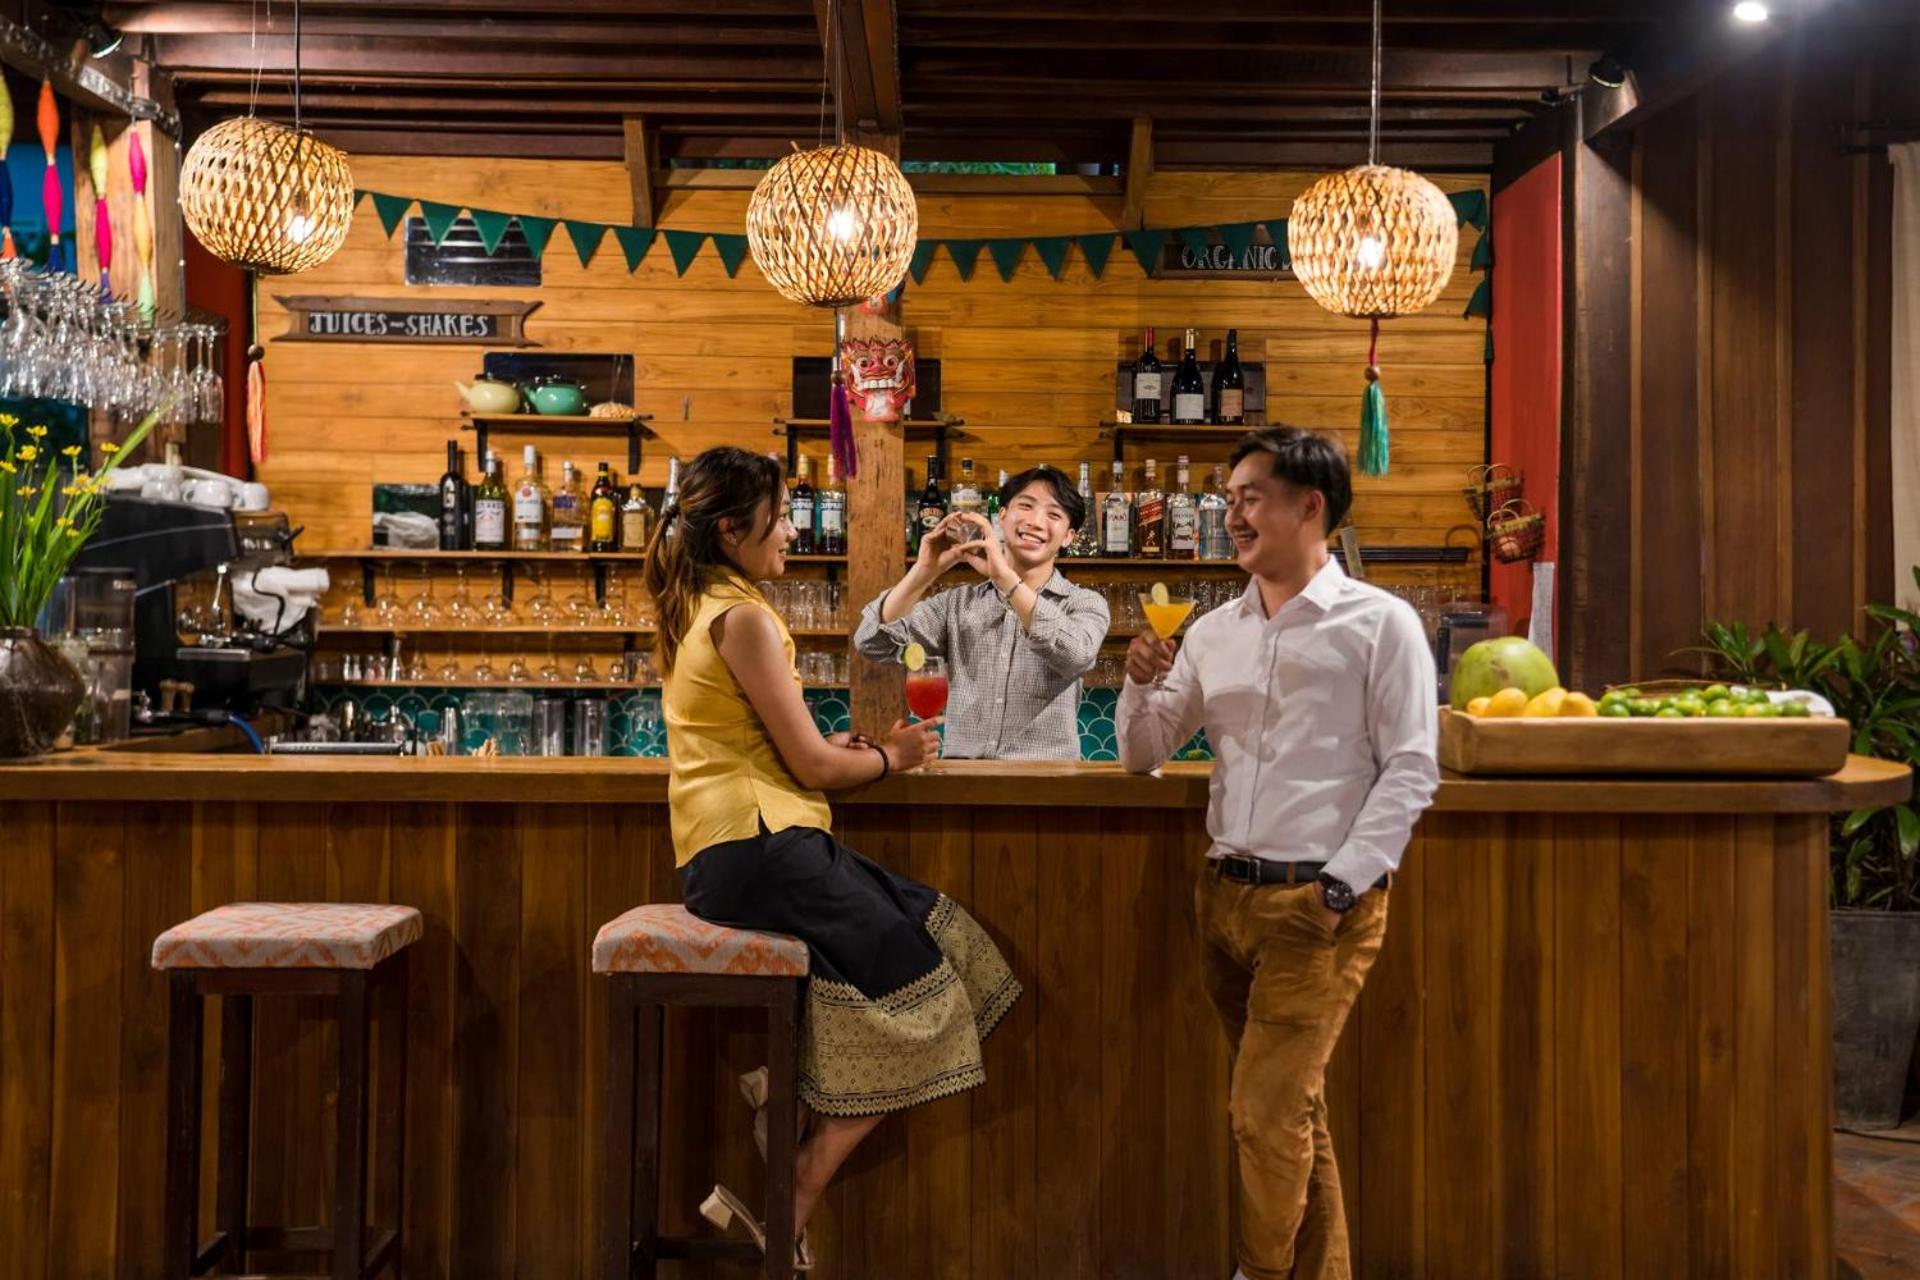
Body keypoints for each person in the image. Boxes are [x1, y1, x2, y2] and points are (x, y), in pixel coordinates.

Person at [640, 446, 1021, 1270]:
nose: (791, 531)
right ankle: (802, 1176)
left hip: (740, 852)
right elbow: (814, 768)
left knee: (942, 936)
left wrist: (843, 750)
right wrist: (892, 758)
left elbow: (771, 747)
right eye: (779, 518)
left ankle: (782, 1102)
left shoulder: (701, 603)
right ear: (733, 530)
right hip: (763, 849)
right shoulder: (743, 618)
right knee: (935, 994)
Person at [1115, 427, 1438, 1280]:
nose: (1231, 515)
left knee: (1264, 1117)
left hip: (1316, 911)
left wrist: (1337, 891)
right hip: (1223, 899)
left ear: (1310, 506)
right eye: (1229, 499)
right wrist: (1140, 679)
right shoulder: (1214, 630)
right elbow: (1142, 754)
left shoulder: (1381, 623)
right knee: (1291, 1116)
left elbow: (1412, 768)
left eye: (1250, 497)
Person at [854, 464, 1108, 759]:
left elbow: (1076, 655)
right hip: (963, 777)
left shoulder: (1084, 603)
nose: (1036, 522)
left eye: (1054, 515)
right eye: (1025, 506)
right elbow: (872, 642)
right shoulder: (956, 604)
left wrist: (1005, 578)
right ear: (1002, 517)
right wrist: (924, 571)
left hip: (1046, 779)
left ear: (1068, 537)